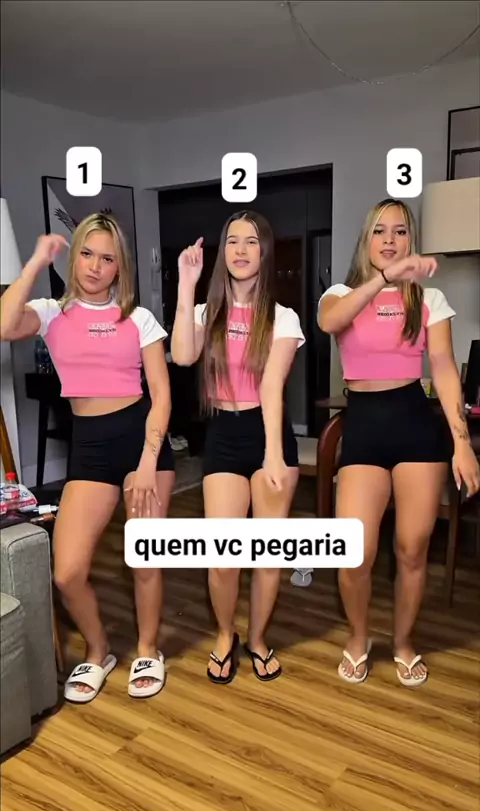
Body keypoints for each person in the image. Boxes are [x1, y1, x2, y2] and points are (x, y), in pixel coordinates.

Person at [0, 213, 175, 702]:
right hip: (90, 446)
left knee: (145, 558)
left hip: (142, 442)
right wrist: (35, 262)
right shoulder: (51, 313)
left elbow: (162, 395)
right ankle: (99, 650)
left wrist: (147, 462)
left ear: (120, 267)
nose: (96, 266)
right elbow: (4, 324)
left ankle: (148, 648)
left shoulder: (138, 318)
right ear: (73, 257)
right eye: (87, 254)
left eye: (108, 258)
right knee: (67, 571)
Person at [318, 198, 480, 687]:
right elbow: (330, 324)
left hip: (415, 427)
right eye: (380, 231)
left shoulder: (430, 300)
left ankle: (404, 642)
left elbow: (445, 369)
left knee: (412, 548)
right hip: (364, 428)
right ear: (366, 239)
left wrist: (462, 442)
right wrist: (385, 279)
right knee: (354, 552)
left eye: (401, 231)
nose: (390, 240)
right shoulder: (340, 294)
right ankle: (358, 637)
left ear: (411, 240)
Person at [171, 210, 305, 684]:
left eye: (251, 241)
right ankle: (225, 634)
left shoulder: (283, 318)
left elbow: (271, 386)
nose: (241, 250)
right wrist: (186, 285)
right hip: (224, 435)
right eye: (232, 241)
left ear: (264, 252)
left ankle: (258, 639)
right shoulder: (206, 313)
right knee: (223, 558)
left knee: (268, 557)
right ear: (223, 251)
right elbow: (182, 355)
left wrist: (274, 453)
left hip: (269, 434)